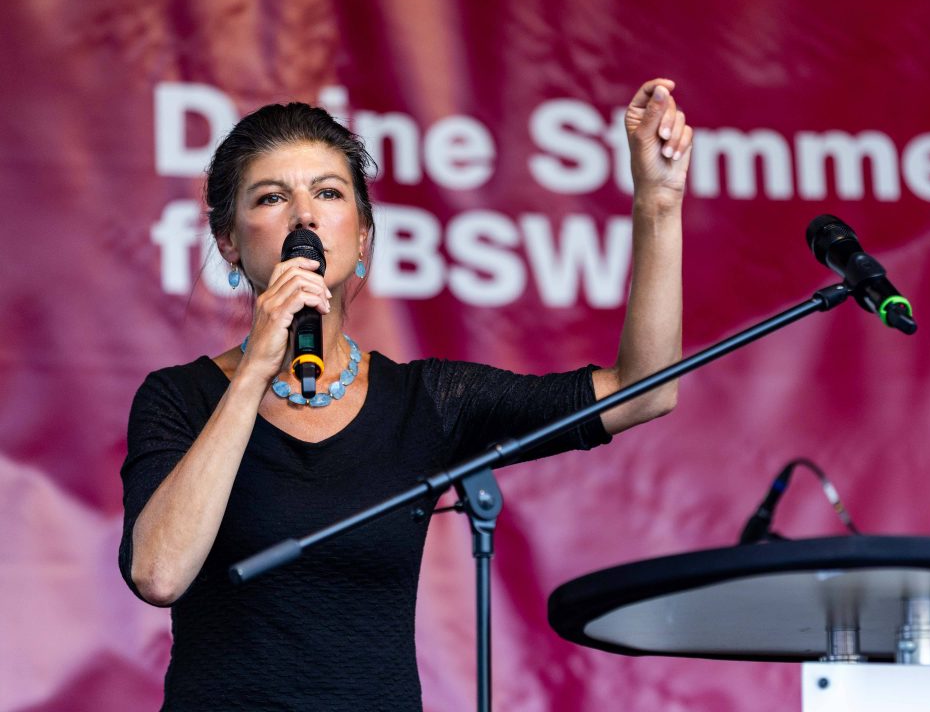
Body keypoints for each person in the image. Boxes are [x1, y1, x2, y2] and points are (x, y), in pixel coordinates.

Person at [119, 79, 692, 710]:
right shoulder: (179, 398)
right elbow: (159, 573)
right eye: (272, 197)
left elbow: (643, 395)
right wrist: (256, 367)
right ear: (229, 240)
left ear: (362, 236)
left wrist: (658, 204)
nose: (304, 216)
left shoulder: (426, 401)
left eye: (329, 193)